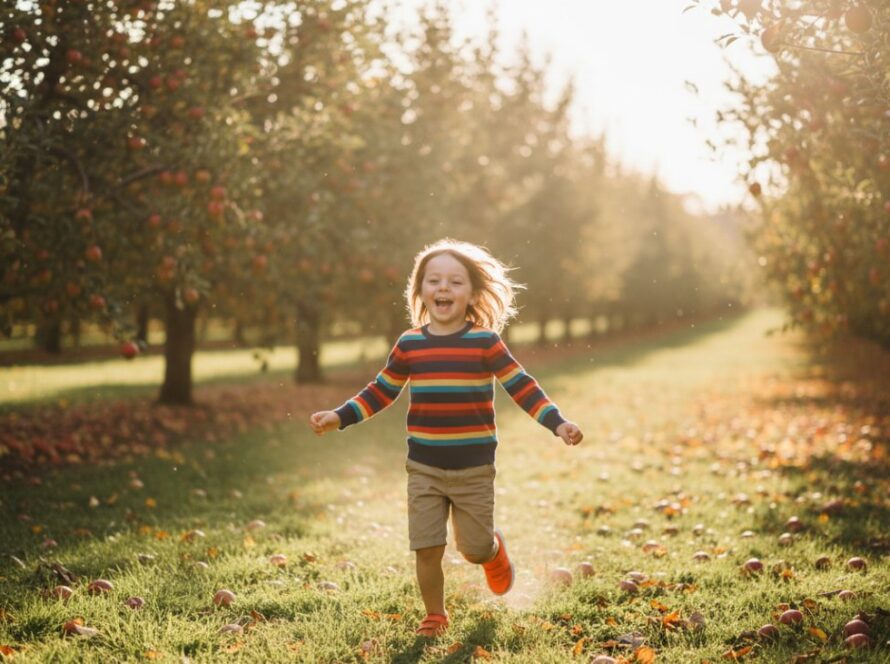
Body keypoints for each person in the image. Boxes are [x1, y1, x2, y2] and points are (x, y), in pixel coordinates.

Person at [309, 238, 583, 638]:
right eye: (433, 280)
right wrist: (339, 416)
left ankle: (492, 550)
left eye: (455, 282)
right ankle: (435, 615)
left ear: (471, 293)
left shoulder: (485, 342)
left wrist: (557, 422)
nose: (443, 288)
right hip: (424, 466)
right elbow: (381, 390)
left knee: (472, 549)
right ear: (419, 290)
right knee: (427, 545)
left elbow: (521, 386)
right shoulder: (410, 344)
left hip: (474, 468)